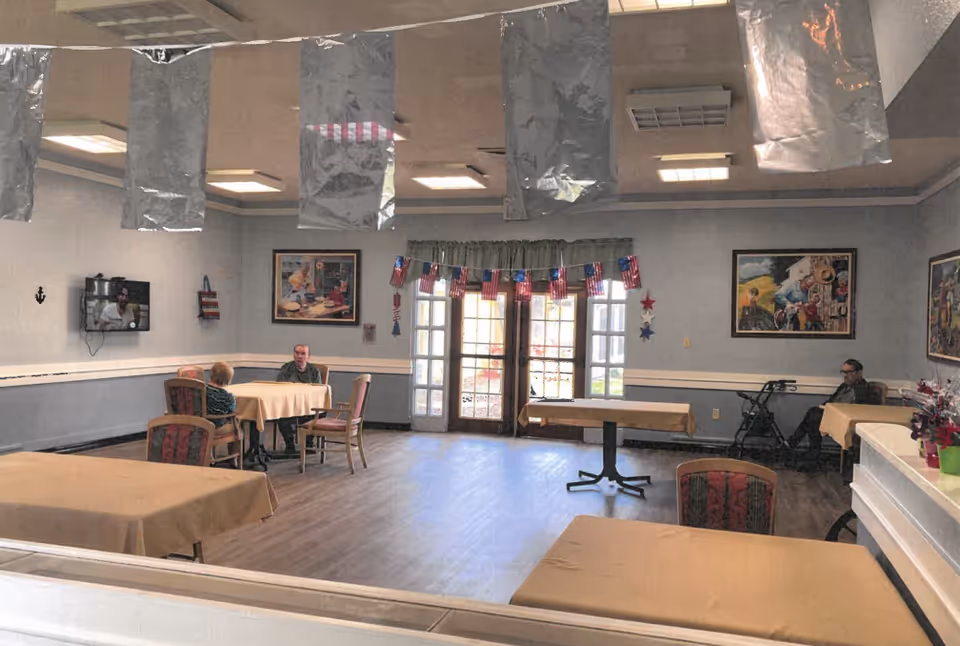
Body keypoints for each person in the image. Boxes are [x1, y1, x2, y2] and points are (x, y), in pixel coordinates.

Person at [787, 359, 878, 466]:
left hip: (845, 421)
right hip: (833, 415)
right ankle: (801, 450)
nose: (845, 375)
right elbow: (831, 401)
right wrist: (824, 407)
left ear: (859, 373)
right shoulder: (844, 386)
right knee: (813, 413)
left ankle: (803, 451)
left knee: (814, 417)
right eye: (843, 372)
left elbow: (858, 410)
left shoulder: (863, 390)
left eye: (849, 372)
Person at [276, 344, 323, 454]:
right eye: (297, 353)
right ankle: (289, 445)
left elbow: (318, 390)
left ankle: (309, 443)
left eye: (303, 354)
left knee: (320, 412)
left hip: (309, 405)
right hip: (290, 405)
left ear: (308, 356)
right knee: (281, 414)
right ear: (293, 355)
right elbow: (280, 387)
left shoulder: (314, 371)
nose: (299, 356)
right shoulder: (286, 369)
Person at [206, 362, 236, 428]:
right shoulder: (229, 397)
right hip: (217, 425)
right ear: (228, 379)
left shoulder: (201, 390)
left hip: (200, 423)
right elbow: (232, 413)